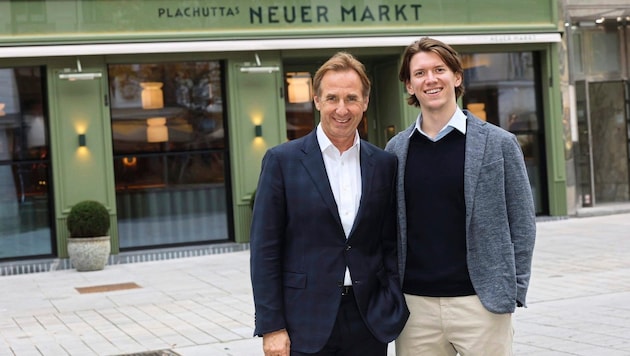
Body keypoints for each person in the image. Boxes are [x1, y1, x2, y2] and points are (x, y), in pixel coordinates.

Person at [250, 52, 409, 356]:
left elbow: (390, 243)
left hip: (369, 320)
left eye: (351, 98)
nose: (342, 109)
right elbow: (265, 250)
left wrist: (391, 301)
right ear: (317, 101)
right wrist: (272, 326)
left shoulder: (385, 164)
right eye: (332, 97)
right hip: (304, 322)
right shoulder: (282, 161)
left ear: (365, 102)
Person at [385, 37, 536, 356]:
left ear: (456, 76)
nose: (431, 79)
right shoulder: (396, 151)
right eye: (420, 73)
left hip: (481, 304)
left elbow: (522, 222)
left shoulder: (500, 144)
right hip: (415, 308)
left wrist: (513, 289)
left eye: (439, 69)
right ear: (409, 85)